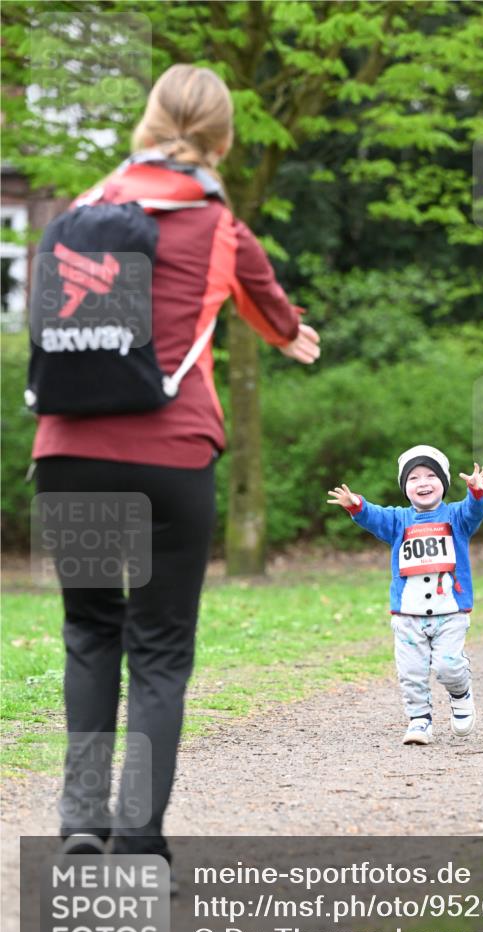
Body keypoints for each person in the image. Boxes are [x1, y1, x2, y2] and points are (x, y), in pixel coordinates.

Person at [31, 64, 320, 866]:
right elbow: (273, 315)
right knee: (158, 651)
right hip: (169, 456)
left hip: (69, 451)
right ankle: (138, 841)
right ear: (222, 141)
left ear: (147, 125)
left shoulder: (83, 210)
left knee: (90, 632)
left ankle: (81, 821)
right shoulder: (219, 227)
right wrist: (290, 333)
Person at [328, 446, 483, 745]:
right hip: (407, 614)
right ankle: (419, 719)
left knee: (448, 666)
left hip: (450, 611)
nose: (423, 483)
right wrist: (356, 505)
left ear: (443, 482)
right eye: (413, 478)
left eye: (430, 476)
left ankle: (461, 694)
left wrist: (477, 492)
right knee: (411, 671)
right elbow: (373, 516)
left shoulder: (456, 517)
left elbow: (474, 510)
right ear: (405, 487)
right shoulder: (398, 520)